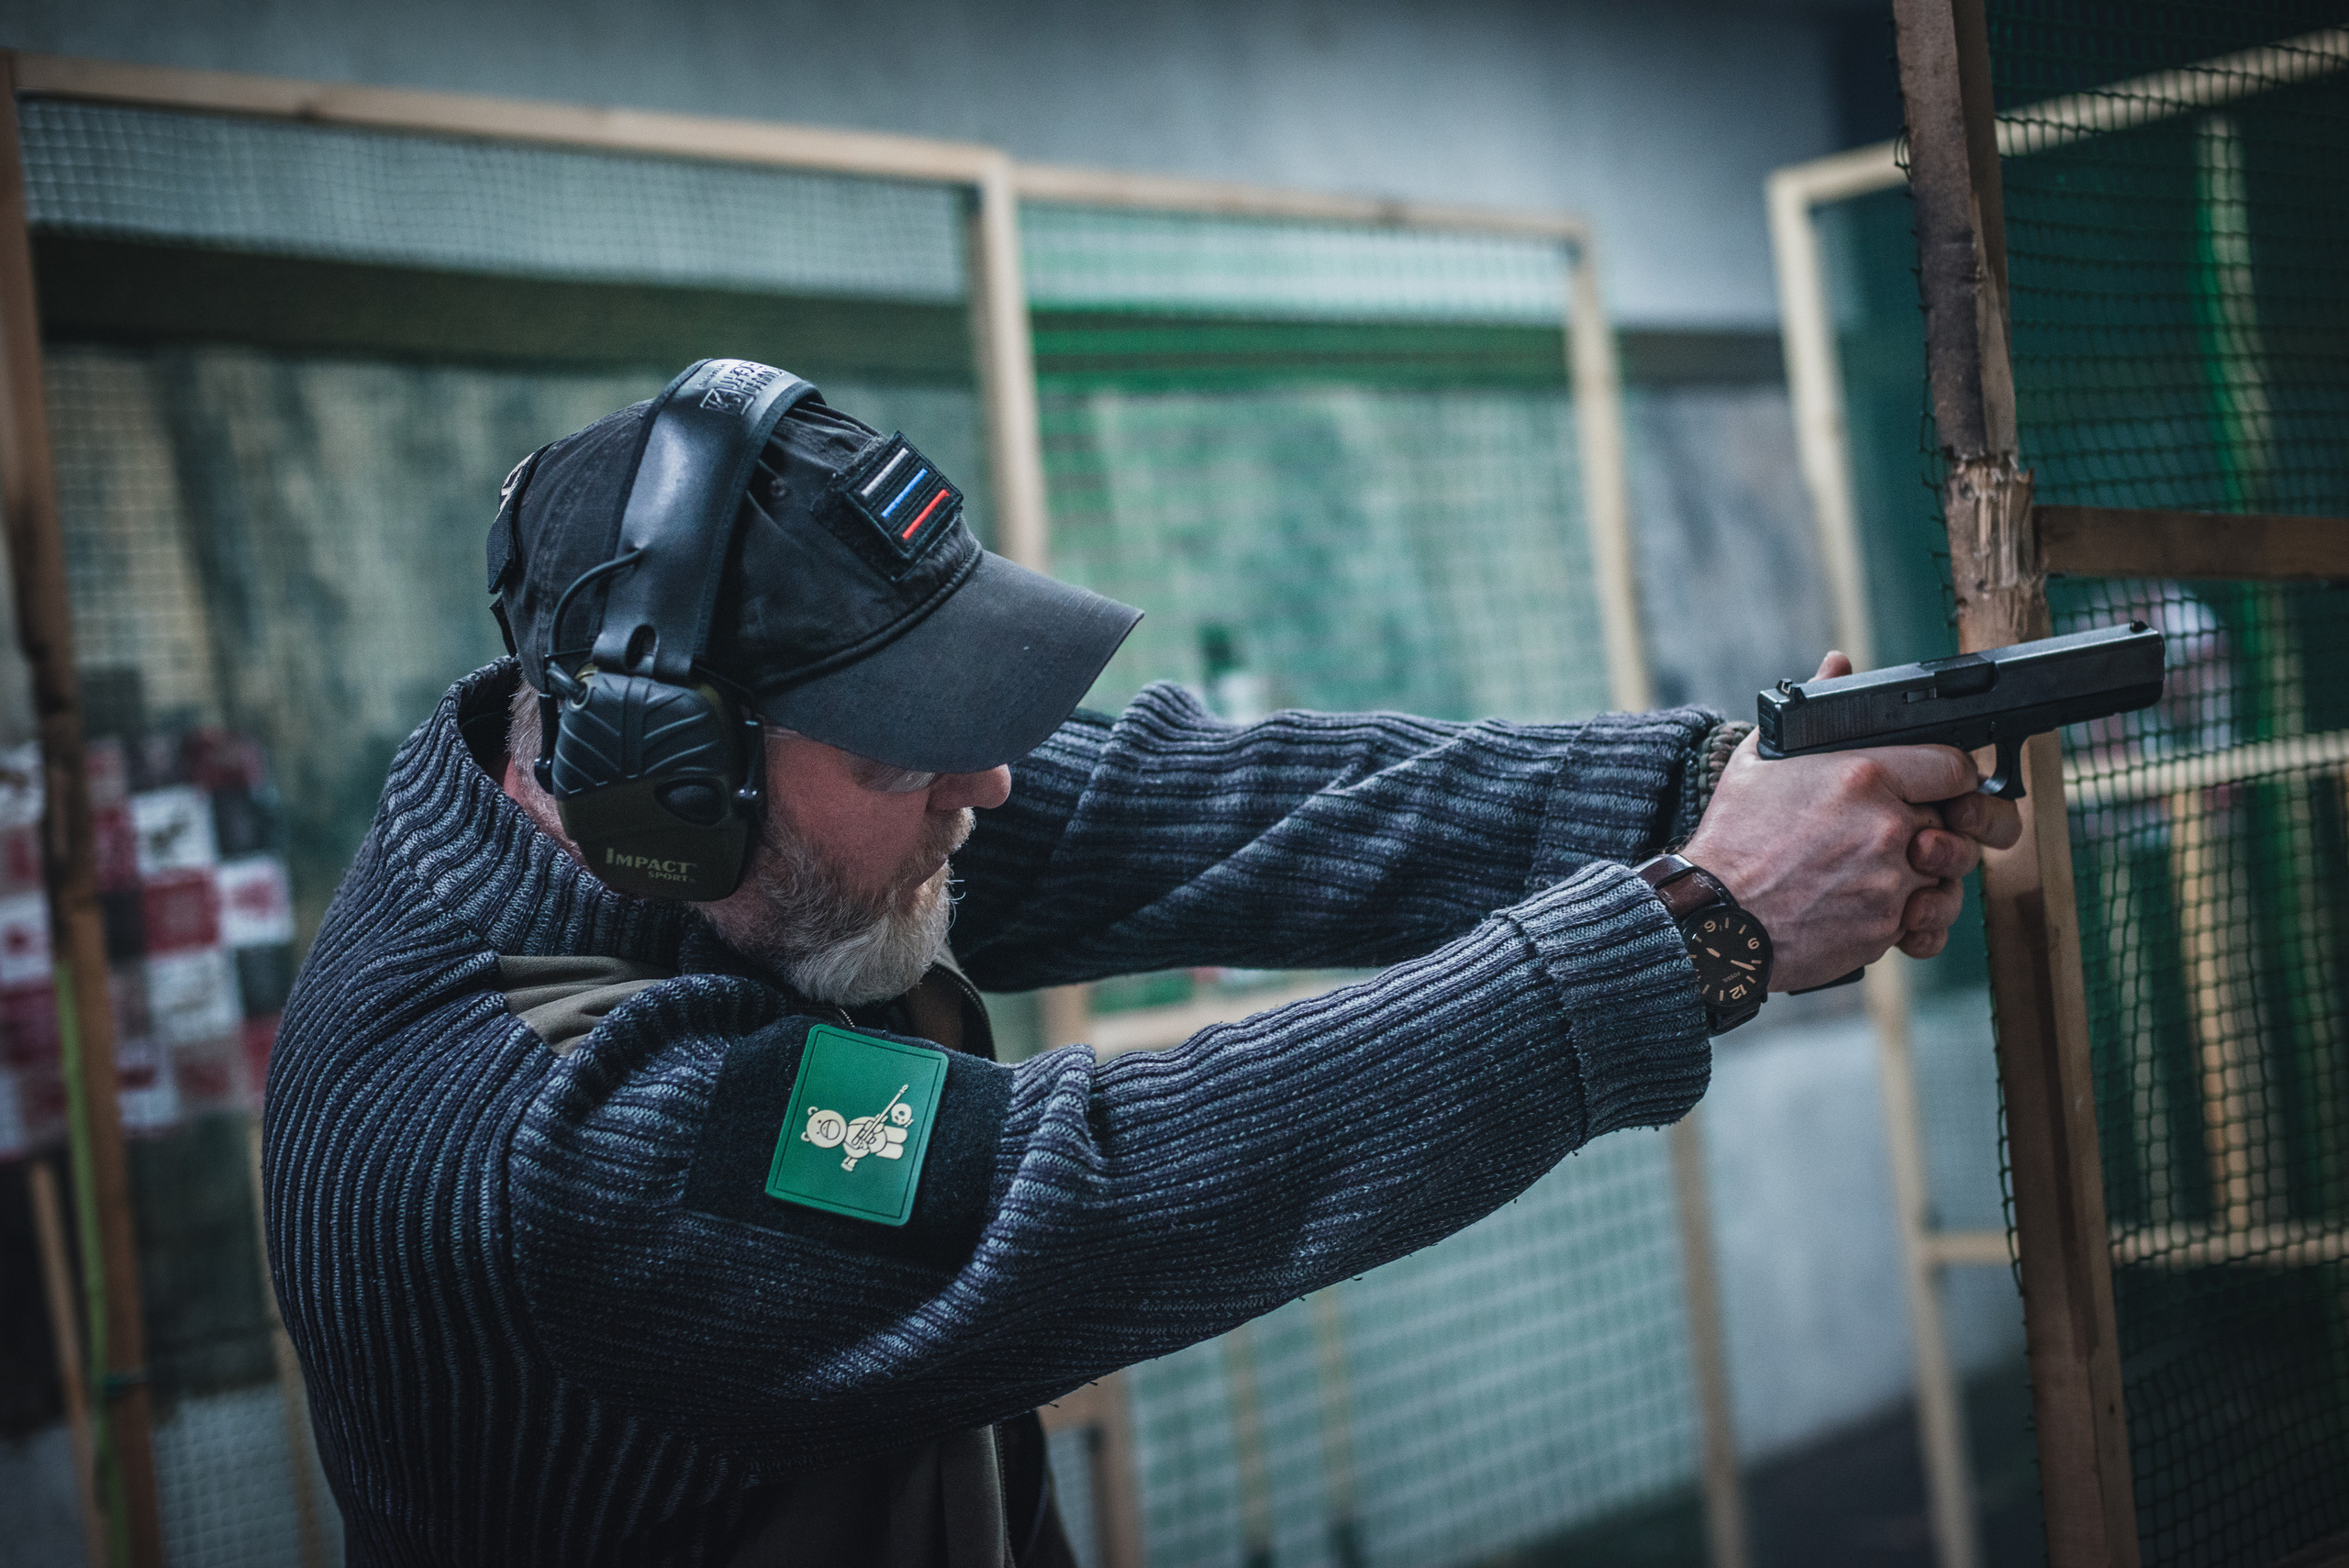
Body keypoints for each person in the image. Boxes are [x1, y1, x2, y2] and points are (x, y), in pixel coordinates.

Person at [265, 366, 2018, 1568]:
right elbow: (1080, 1189)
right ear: (672, 778)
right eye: (905, 755)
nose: (988, 787)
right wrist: (1696, 922)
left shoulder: (746, 834)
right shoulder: (536, 1136)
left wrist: (1713, 790)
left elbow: (1209, 798)